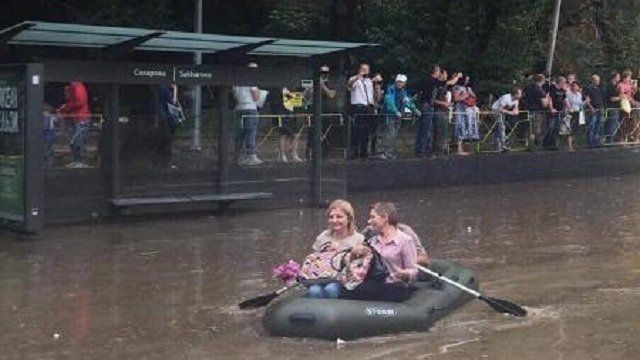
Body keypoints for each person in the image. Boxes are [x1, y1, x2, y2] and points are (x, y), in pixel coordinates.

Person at [340, 202, 418, 302]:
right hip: (375, 283)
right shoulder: (372, 241)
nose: (369, 221)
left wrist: (405, 274)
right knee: (346, 288)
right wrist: (354, 254)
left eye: (373, 217)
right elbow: (361, 265)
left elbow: (413, 270)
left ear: (385, 218)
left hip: (394, 286)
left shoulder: (405, 241)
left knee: (359, 290)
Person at [306, 199, 364, 299]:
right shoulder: (323, 237)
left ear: (349, 219)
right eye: (331, 217)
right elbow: (315, 259)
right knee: (314, 290)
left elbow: (361, 265)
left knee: (331, 289)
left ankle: (333, 313)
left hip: (343, 280)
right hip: (322, 278)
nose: (334, 220)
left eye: (339, 217)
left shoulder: (359, 239)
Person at [379, 74, 420, 160]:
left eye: (401, 82)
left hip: (398, 116)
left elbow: (407, 102)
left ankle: (389, 152)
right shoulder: (390, 89)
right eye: (398, 82)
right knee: (389, 133)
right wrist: (395, 111)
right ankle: (383, 152)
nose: (399, 84)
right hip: (390, 115)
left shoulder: (403, 91)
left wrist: (415, 109)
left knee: (394, 134)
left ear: (404, 83)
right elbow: (388, 101)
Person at [233, 62, 263, 166]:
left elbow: (234, 94)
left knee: (240, 133)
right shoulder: (251, 80)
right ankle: (251, 156)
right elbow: (256, 97)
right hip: (250, 107)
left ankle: (237, 156)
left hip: (239, 107)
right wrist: (259, 93)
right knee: (251, 132)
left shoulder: (237, 81)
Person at [56, 81, 91, 168]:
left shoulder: (76, 86)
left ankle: (80, 161)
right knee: (75, 141)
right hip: (76, 118)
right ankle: (77, 160)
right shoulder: (75, 86)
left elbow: (79, 101)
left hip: (81, 118)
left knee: (77, 140)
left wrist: (64, 108)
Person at [347, 62, 378, 160]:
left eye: (367, 70)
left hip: (368, 106)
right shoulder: (354, 79)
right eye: (363, 69)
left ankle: (364, 151)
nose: (365, 71)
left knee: (366, 131)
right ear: (359, 70)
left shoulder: (369, 81)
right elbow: (349, 86)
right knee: (357, 130)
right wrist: (358, 77)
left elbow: (372, 94)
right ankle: (354, 152)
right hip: (358, 106)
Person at [155, 83, 181, 169]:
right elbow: (173, 101)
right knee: (166, 139)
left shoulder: (163, 87)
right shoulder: (163, 87)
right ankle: (163, 163)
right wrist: (175, 90)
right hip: (166, 117)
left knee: (166, 140)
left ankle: (163, 162)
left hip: (168, 117)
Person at [522, 74, 551, 147]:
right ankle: (535, 145)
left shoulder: (527, 87)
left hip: (526, 110)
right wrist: (547, 98)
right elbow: (544, 104)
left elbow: (523, 97)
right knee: (537, 129)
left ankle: (528, 144)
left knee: (529, 129)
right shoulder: (540, 90)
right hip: (537, 111)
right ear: (542, 80)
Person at [491, 86, 522, 152]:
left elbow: (516, 109)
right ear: (515, 94)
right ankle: (503, 144)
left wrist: (516, 111)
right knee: (501, 127)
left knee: (499, 128)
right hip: (495, 110)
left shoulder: (516, 100)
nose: (521, 95)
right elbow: (500, 109)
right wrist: (511, 112)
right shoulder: (506, 98)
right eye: (520, 93)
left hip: (503, 112)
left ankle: (497, 146)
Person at [583, 74, 604, 147]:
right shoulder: (588, 88)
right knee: (591, 127)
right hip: (592, 110)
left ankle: (596, 142)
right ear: (592, 80)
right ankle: (590, 143)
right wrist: (591, 107)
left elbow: (601, 99)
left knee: (598, 127)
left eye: (598, 80)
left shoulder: (599, 88)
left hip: (599, 109)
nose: (598, 82)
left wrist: (602, 107)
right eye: (596, 80)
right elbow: (587, 99)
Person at [564, 81, 583, 151]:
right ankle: (569, 146)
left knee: (576, 129)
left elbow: (580, 104)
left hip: (577, 112)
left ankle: (574, 145)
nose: (574, 87)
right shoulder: (569, 94)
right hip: (571, 113)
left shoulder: (579, 94)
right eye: (573, 86)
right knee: (570, 130)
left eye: (576, 86)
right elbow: (566, 101)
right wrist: (569, 108)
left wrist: (585, 102)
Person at [604, 72, 621, 143]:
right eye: (618, 76)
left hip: (616, 107)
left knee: (615, 123)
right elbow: (611, 98)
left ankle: (613, 139)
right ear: (614, 77)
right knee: (612, 123)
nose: (619, 78)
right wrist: (620, 98)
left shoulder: (616, 85)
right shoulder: (610, 85)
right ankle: (610, 140)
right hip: (612, 107)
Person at [43, 103, 57, 168]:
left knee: (46, 151)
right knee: (50, 150)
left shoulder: (46, 117)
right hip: (51, 136)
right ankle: (50, 164)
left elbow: (45, 127)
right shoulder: (52, 116)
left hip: (46, 136)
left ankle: (46, 165)